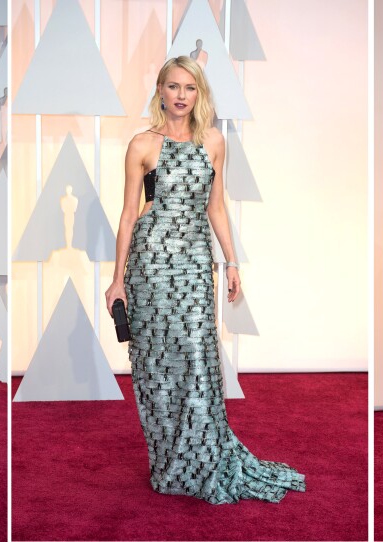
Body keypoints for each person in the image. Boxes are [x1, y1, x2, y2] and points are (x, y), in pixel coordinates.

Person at [104, 56, 305, 504]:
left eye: (189, 87)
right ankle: (168, 462)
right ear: (160, 90)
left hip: (195, 264)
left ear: (199, 94)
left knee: (197, 357)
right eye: (173, 86)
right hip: (150, 264)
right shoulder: (141, 144)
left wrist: (232, 262)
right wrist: (117, 279)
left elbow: (216, 206)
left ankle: (205, 457)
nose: (180, 95)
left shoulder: (213, 141)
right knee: (156, 365)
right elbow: (128, 215)